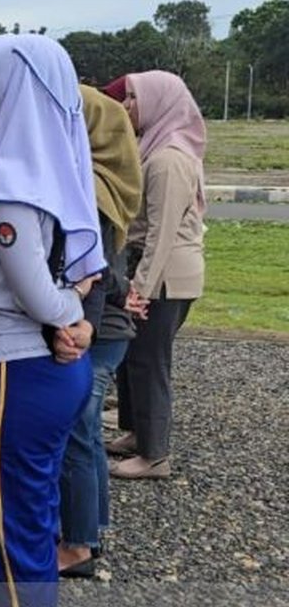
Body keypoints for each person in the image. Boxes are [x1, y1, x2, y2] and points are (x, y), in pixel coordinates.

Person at [0, 35, 104, 607]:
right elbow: (82, 271)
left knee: (9, 530)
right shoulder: (52, 169)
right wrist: (78, 319)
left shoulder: (12, 182)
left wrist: (66, 315)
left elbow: (38, 293)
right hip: (49, 367)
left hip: (16, 373)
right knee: (32, 514)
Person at [56, 85, 145, 577]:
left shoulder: (88, 185)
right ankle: (94, 528)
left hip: (101, 324)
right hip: (110, 321)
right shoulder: (109, 178)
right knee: (86, 432)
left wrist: (110, 290)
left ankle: (79, 545)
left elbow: (100, 270)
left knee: (76, 431)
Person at [108, 71, 206, 480]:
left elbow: (161, 233)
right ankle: (136, 430)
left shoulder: (168, 159)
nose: (126, 108)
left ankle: (155, 454)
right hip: (154, 272)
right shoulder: (156, 148)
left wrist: (142, 288)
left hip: (165, 277)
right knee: (133, 358)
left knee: (150, 361)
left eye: (131, 100)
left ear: (157, 103)